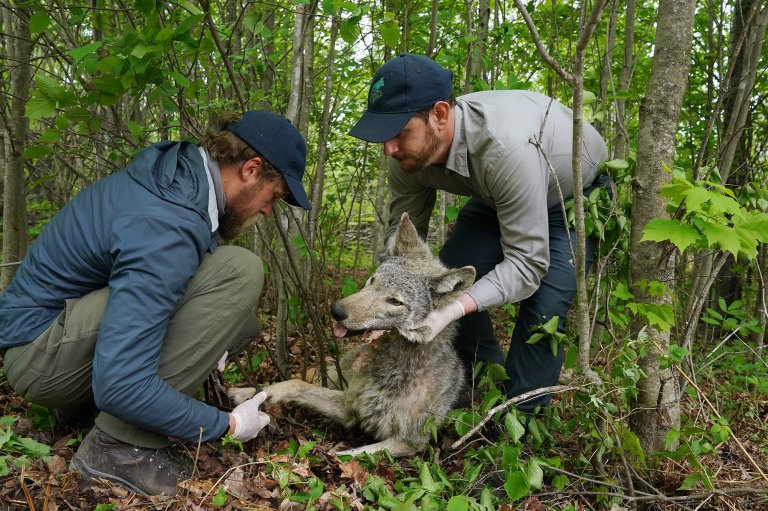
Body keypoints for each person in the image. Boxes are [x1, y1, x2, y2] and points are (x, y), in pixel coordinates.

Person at [0, 110, 311, 496]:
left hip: (53, 340)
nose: (267, 210)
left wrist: (204, 340)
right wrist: (227, 425)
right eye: (274, 197)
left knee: (241, 323)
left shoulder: (183, 182)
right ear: (251, 169)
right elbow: (121, 383)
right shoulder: (170, 220)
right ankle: (119, 448)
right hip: (38, 357)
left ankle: (83, 409)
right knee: (241, 270)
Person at [349, 54, 609, 411]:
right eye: (382, 135)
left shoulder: (505, 148)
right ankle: (481, 393)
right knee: (446, 281)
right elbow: (403, 249)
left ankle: (519, 427)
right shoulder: (406, 159)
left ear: (439, 115)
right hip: (497, 197)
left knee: (544, 312)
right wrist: (378, 305)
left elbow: (528, 265)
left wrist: (451, 311)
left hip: (572, 198)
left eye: (398, 133)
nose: (388, 149)